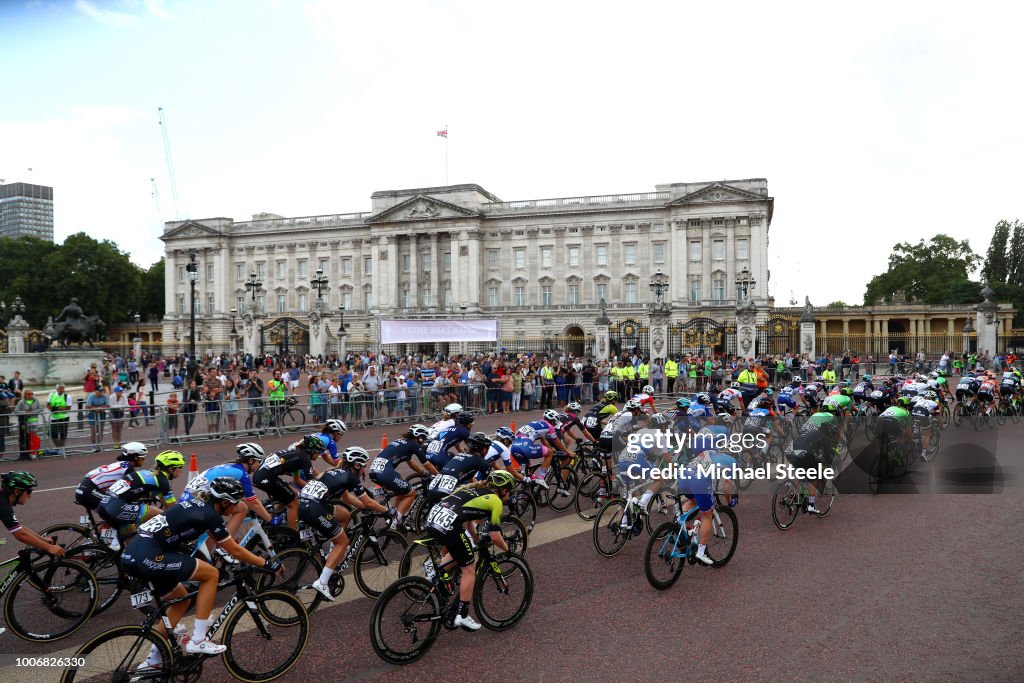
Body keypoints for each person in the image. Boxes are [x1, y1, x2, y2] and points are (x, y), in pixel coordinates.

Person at [121, 477, 282, 663]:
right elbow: (235, 550)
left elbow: (218, 542)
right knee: (211, 574)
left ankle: (153, 661)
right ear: (223, 502)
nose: (235, 508)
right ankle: (199, 639)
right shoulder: (210, 515)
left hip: (132, 555)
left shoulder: (198, 505)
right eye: (234, 503)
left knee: (180, 601)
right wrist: (267, 564)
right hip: (149, 557)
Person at [422, 470, 514, 631]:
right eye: (510, 491)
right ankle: (462, 615)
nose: (509, 495)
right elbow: (495, 536)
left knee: (462, 552)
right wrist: (508, 550)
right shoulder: (495, 502)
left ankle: (436, 576)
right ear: (504, 489)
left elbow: (469, 522)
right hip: (449, 526)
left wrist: (476, 539)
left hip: (432, 520)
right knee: (469, 569)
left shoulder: (474, 490)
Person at [304, 446, 393, 600]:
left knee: (344, 515)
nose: (364, 469)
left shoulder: (335, 471)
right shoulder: (351, 477)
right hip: (315, 508)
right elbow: (367, 500)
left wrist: (365, 507)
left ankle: (334, 549)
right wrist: (386, 511)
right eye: (364, 465)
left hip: (306, 504)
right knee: (343, 542)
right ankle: (323, 582)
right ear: (357, 465)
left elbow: (347, 497)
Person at [98, 450, 184, 535]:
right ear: (171, 468)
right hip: (117, 507)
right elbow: (173, 509)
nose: (181, 471)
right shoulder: (162, 481)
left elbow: (166, 505)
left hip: (104, 505)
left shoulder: (148, 474)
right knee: (162, 517)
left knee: (131, 536)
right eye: (180, 467)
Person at [252, 433, 325, 529]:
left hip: (261, 476)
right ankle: (293, 534)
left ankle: (278, 525)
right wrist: (322, 493)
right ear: (312, 451)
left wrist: (299, 492)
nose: (319, 455)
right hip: (268, 478)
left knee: (291, 495)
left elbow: (297, 479)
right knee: (294, 503)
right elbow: (311, 483)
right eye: (319, 452)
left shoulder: (296, 456)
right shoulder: (305, 458)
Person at [368, 424, 430, 527]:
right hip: (385, 473)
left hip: (373, 472)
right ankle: (394, 523)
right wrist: (438, 475)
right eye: (424, 438)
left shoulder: (401, 442)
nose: (423, 441)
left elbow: (411, 462)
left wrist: (423, 473)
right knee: (411, 493)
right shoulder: (413, 444)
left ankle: (395, 515)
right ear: (419, 437)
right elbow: (426, 463)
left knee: (402, 489)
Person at [1, 471, 65, 556]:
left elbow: (20, 528)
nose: (30, 496)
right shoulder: (3, 504)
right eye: (29, 492)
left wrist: (43, 540)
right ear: (17, 492)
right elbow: (20, 534)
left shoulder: (3, 498)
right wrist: (49, 547)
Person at [14, 389, 45, 460]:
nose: (30, 395)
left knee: (34, 437)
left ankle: (34, 452)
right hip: (25, 423)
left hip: (34, 422)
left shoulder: (36, 400)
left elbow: (41, 409)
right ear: (25, 394)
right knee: (26, 438)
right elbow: (16, 411)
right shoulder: (21, 402)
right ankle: (27, 452)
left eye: (31, 393)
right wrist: (25, 412)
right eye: (28, 394)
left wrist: (33, 412)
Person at [47, 383, 71, 454]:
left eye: (63, 388)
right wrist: (52, 410)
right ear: (57, 389)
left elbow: (68, 408)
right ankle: (59, 448)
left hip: (64, 418)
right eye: (60, 388)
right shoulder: (51, 395)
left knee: (63, 434)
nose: (62, 390)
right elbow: (47, 404)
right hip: (53, 418)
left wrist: (57, 409)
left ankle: (62, 448)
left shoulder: (67, 396)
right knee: (52, 433)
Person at [85, 385, 109, 451]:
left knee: (100, 430)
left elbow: (108, 405)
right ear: (95, 391)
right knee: (93, 431)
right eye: (99, 391)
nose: (101, 393)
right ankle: (93, 445)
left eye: (102, 391)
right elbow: (87, 406)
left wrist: (101, 408)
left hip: (102, 414)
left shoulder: (104, 396)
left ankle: (98, 445)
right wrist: (96, 408)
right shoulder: (91, 396)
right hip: (92, 414)